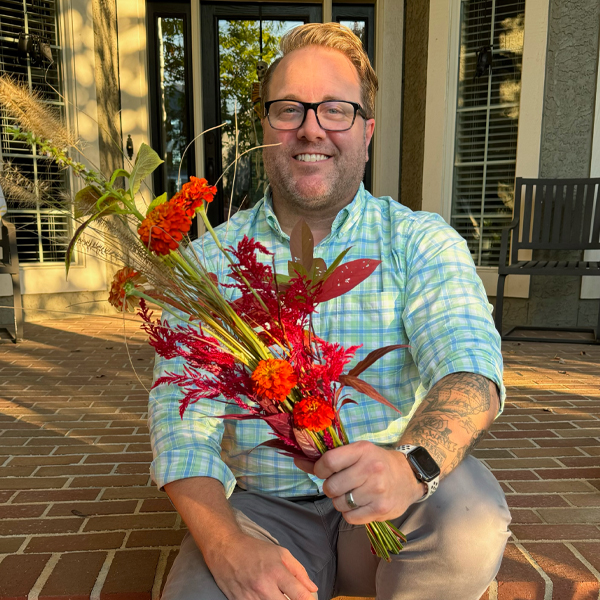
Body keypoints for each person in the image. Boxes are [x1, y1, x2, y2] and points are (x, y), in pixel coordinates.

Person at [151, 22, 511, 600]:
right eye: (289, 108)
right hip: (263, 509)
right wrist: (225, 545)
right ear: (265, 128)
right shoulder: (207, 265)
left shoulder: (419, 241)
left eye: (336, 110)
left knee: (469, 521)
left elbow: (469, 369)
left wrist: (411, 466)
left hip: (393, 503)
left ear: (367, 131)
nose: (311, 128)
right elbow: (181, 424)